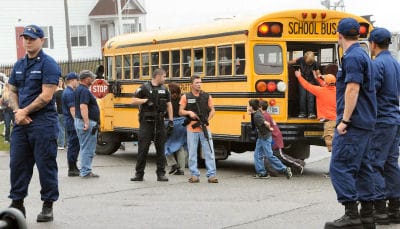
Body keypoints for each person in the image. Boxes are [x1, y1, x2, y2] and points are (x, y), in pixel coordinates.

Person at [324, 18, 377, 229]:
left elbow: (352, 88)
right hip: (366, 121)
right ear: (359, 35)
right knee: (364, 168)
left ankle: (351, 215)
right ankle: (367, 215)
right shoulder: (363, 54)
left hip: (353, 122)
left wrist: (344, 120)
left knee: (340, 166)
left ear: (339, 36)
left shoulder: (352, 57)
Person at [7, 24, 61, 222]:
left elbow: (46, 96)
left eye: (32, 38)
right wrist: (17, 111)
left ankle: (48, 205)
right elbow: (10, 90)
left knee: (45, 164)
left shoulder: (49, 64)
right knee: (18, 164)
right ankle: (17, 203)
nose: (28, 41)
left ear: (42, 41)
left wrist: (25, 111)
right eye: (25, 38)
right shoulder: (19, 65)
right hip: (21, 121)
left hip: (43, 122)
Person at [368, 27, 400, 225]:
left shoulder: (377, 64)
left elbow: (372, 93)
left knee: (374, 163)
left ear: (372, 44)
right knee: (391, 163)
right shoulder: (396, 63)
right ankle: (395, 208)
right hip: (395, 119)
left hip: (381, 120)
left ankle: (380, 209)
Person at [130, 68, 173, 182]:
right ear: (157, 76)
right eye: (164, 76)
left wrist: (171, 120)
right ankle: (139, 174)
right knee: (143, 149)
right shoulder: (144, 88)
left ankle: (161, 174)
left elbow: (169, 105)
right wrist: (145, 101)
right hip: (146, 122)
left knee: (161, 149)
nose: (165, 78)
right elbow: (133, 100)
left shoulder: (165, 89)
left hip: (160, 121)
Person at [179, 75, 218, 183]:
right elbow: (180, 111)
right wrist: (189, 112)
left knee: (209, 151)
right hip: (192, 128)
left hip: (204, 127)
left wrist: (206, 121)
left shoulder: (206, 96)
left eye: (200, 82)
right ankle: (194, 175)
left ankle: (212, 175)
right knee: (192, 152)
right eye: (196, 83)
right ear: (191, 84)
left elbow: (213, 110)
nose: (199, 84)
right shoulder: (185, 97)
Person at [248, 99, 292, 179]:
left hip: (265, 137)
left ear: (252, 107)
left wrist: (270, 128)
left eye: (249, 106)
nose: (247, 107)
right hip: (261, 137)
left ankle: (285, 169)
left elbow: (266, 123)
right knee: (257, 155)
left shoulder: (257, 115)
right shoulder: (255, 113)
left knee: (269, 156)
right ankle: (262, 173)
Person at [294, 70, 336, 153]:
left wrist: (299, 76)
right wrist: (317, 77)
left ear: (326, 82)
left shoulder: (320, 91)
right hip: (337, 120)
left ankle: (338, 162)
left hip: (329, 122)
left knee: (331, 144)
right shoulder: (337, 91)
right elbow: (325, 85)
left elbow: (307, 85)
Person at [259, 100, 305, 175]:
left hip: (274, 138)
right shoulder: (265, 115)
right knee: (268, 155)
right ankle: (272, 172)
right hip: (272, 137)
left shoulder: (265, 116)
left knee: (280, 156)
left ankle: (299, 164)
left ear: (261, 108)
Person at [74, 70, 100, 178]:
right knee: (88, 148)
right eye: (91, 78)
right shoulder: (84, 90)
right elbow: (83, 106)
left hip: (79, 121)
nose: (93, 79)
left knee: (84, 146)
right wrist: (87, 122)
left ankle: (85, 169)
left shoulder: (79, 89)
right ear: (86, 78)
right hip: (85, 122)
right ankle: (85, 171)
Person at [289, 51, 321, 119]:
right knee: (302, 97)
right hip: (302, 81)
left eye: (311, 63)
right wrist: (284, 63)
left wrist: (319, 76)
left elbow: (318, 72)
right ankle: (302, 113)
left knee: (311, 97)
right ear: (304, 58)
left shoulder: (314, 63)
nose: (309, 64)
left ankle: (311, 113)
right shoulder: (301, 59)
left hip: (311, 81)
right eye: (308, 63)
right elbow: (291, 62)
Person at [165, 82, 187, 175]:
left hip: (171, 123)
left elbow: (164, 112)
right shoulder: (183, 99)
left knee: (165, 144)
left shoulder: (167, 100)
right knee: (180, 146)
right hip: (182, 124)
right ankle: (181, 169)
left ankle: (173, 164)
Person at [62, 72, 81, 177]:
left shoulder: (68, 92)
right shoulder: (69, 93)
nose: (78, 82)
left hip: (70, 123)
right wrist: (78, 122)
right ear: (72, 81)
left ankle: (74, 167)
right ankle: (72, 168)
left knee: (74, 145)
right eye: (77, 80)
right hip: (72, 123)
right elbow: (73, 110)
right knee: (73, 145)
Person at [0, 79, 15, 143]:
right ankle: (7, 139)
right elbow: (1, 102)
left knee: (15, 125)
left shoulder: (14, 91)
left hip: (14, 111)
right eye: (7, 84)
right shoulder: (3, 92)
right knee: (7, 125)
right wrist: (6, 105)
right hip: (6, 111)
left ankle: (14, 138)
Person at [54, 77, 66, 150]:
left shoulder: (56, 92)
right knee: (65, 128)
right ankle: (66, 144)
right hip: (65, 112)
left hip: (59, 111)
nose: (60, 82)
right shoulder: (66, 91)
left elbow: (54, 103)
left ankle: (61, 144)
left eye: (60, 81)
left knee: (61, 128)